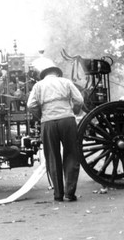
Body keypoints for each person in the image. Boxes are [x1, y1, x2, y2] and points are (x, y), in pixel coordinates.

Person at [27, 58, 84, 202]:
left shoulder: (38, 85)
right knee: (71, 154)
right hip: (67, 120)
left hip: (48, 122)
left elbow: (31, 105)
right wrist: (74, 112)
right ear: (57, 73)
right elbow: (79, 100)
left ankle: (58, 194)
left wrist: (42, 116)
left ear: (44, 74)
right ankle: (70, 193)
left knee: (52, 156)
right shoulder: (66, 82)